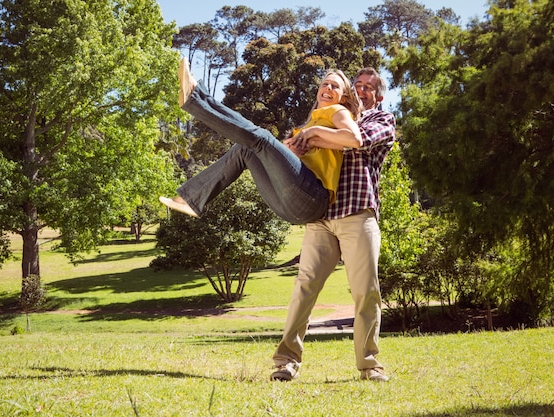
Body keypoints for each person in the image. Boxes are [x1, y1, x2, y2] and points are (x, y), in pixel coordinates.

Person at [270, 67, 396, 382]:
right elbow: (297, 155)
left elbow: (354, 141)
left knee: (366, 291)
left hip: (358, 213)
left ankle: (369, 364)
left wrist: (311, 134)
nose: (362, 90)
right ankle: (286, 361)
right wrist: (299, 142)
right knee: (304, 287)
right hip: (322, 217)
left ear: (378, 96)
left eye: (370, 87)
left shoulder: (380, 121)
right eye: (359, 86)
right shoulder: (331, 119)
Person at [160, 59, 362, 224]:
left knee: (262, 138)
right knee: (245, 150)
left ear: (343, 97)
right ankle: (191, 199)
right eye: (324, 84)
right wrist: (290, 150)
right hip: (291, 209)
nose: (327, 88)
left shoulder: (337, 110)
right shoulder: (309, 123)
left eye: (335, 86)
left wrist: (315, 132)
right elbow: (288, 163)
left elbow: (354, 139)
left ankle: (196, 97)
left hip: (313, 198)